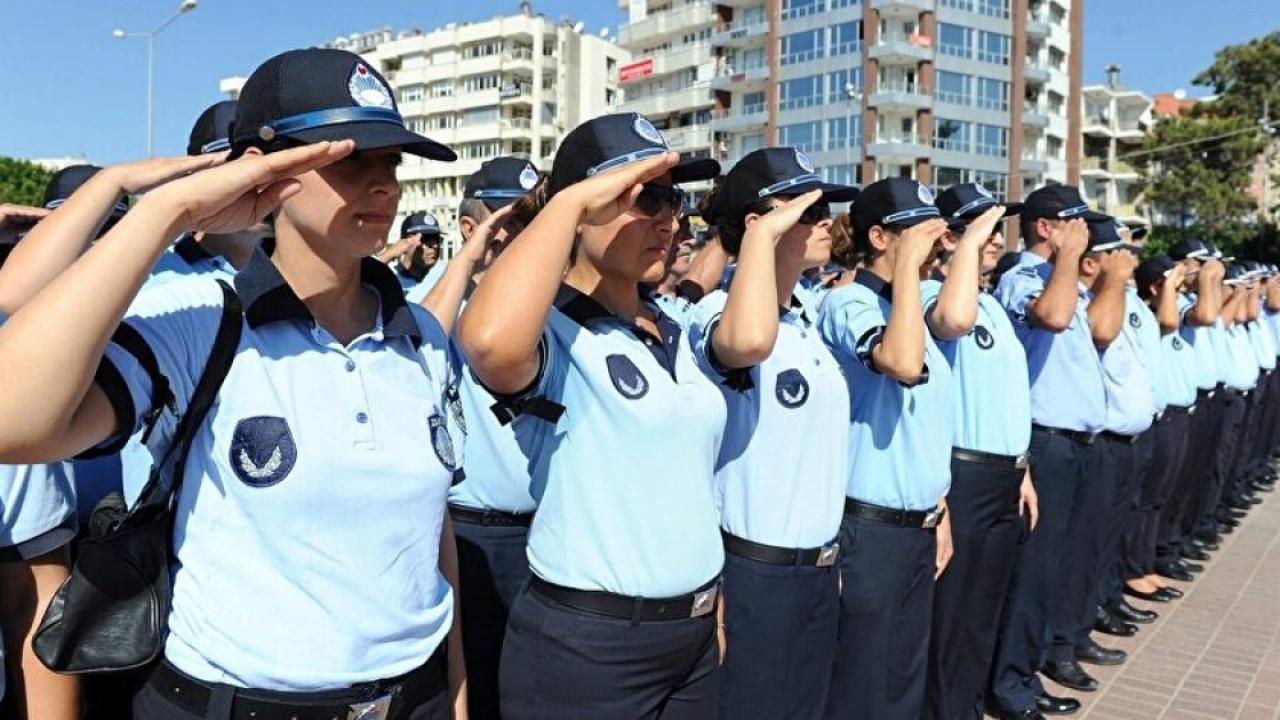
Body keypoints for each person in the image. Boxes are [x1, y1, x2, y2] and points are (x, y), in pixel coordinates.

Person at [0, 47, 469, 719]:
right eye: (349, 159)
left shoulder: (420, 335)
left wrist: (455, 696)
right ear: (263, 170)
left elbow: (431, 533)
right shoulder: (201, 324)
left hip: (412, 699)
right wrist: (167, 211)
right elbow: (11, 418)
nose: (384, 185)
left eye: (391, 161)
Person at [456, 113, 724, 718]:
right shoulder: (553, 329)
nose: (668, 219)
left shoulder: (673, 327)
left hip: (691, 637)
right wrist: (569, 201)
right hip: (589, 648)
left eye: (674, 200)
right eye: (644, 197)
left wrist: (710, 601)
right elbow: (489, 343)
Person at [689, 147, 856, 720]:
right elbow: (745, 343)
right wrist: (758, 241)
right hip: (753, 573)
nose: (825, 222)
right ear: (761, 224)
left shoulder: (808, 319)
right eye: (808, 211)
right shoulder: (715, 311)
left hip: (816, 568)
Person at [818, 177, 955, 719]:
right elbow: (900, 363)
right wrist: (910, 274)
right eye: (919, 232)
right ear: (879, 237)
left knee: (903, 681)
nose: (933, 245)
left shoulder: (913, 310)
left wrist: (938, 507)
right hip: (868, 528)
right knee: (861, 682)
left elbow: (924, 427)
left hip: (917, 525)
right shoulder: (848, 301)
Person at [989, 185, 1106, 720]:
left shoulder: (1064, 279)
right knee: (1032, 572)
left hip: (1076, 444)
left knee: (1056, 566)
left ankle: (1030, 669)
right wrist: (1068, 258)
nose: (1086, 234)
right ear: (1046, 227)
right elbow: (1052, 317)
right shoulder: (1022, 277)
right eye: (1076, 223)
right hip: (1046, 442)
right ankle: (1010, 686)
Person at [925, 184, 1038, 720]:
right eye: (983, 228)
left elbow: (1006, 398)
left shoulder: (989, 303)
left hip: (1003, 476)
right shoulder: (932, 294)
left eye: (997, 229)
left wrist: (1022, 467)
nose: (996, 239)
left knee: (981, 616)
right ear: (948, 237)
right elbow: (951, 321)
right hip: (962, 474)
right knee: (950, 620)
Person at [1061, 219, 1150, 681]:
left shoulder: (1114, 296)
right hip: (1098, 444)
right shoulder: (1086, 302)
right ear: (1091, 263)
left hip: (1119, 444)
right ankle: (1063, 641)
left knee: (1099, 547)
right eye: (1116, 253)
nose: (1127, 260)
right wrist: (1115, 281)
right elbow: (1100, 331)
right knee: (1078, 554)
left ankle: (1080, 628)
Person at [1128, 256, 1196, 606]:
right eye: (1174, 287)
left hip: (1167, 416)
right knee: (1144, 499)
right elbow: (1168, 321)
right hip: (1157, 417)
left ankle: (1143, 563)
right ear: (1155, 287)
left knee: (1158, 496)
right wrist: (1169, 282)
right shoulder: (1149, 312)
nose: (1180, 292)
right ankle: (1133, 569)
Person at [377, 210, 443, 304]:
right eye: (425, 239)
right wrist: (388, 255)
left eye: (437, 239)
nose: (435, 245)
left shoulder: (444, 275)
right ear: (405, 242)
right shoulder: (389, 277)